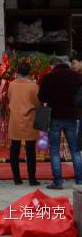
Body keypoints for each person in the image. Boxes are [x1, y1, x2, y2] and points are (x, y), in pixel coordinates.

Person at [38, 56, 82, 189]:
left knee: (55, 151)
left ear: (53, 66)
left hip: (55, 116)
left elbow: (41, 97)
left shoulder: (49, 77)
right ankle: (80, 180)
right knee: (75, 150)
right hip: (71, 116)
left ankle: (58, 182)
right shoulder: (76, 76)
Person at [7, 62, 40, 186]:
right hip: (29, 119)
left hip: (15, 119)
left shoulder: (12, 84)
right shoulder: (33, 86)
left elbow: (9, 98)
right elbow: (37, 102)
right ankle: (32, 178)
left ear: (18, 72)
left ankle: (16, 178)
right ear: (29, 72)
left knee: (14, 149)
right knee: (31, 151)